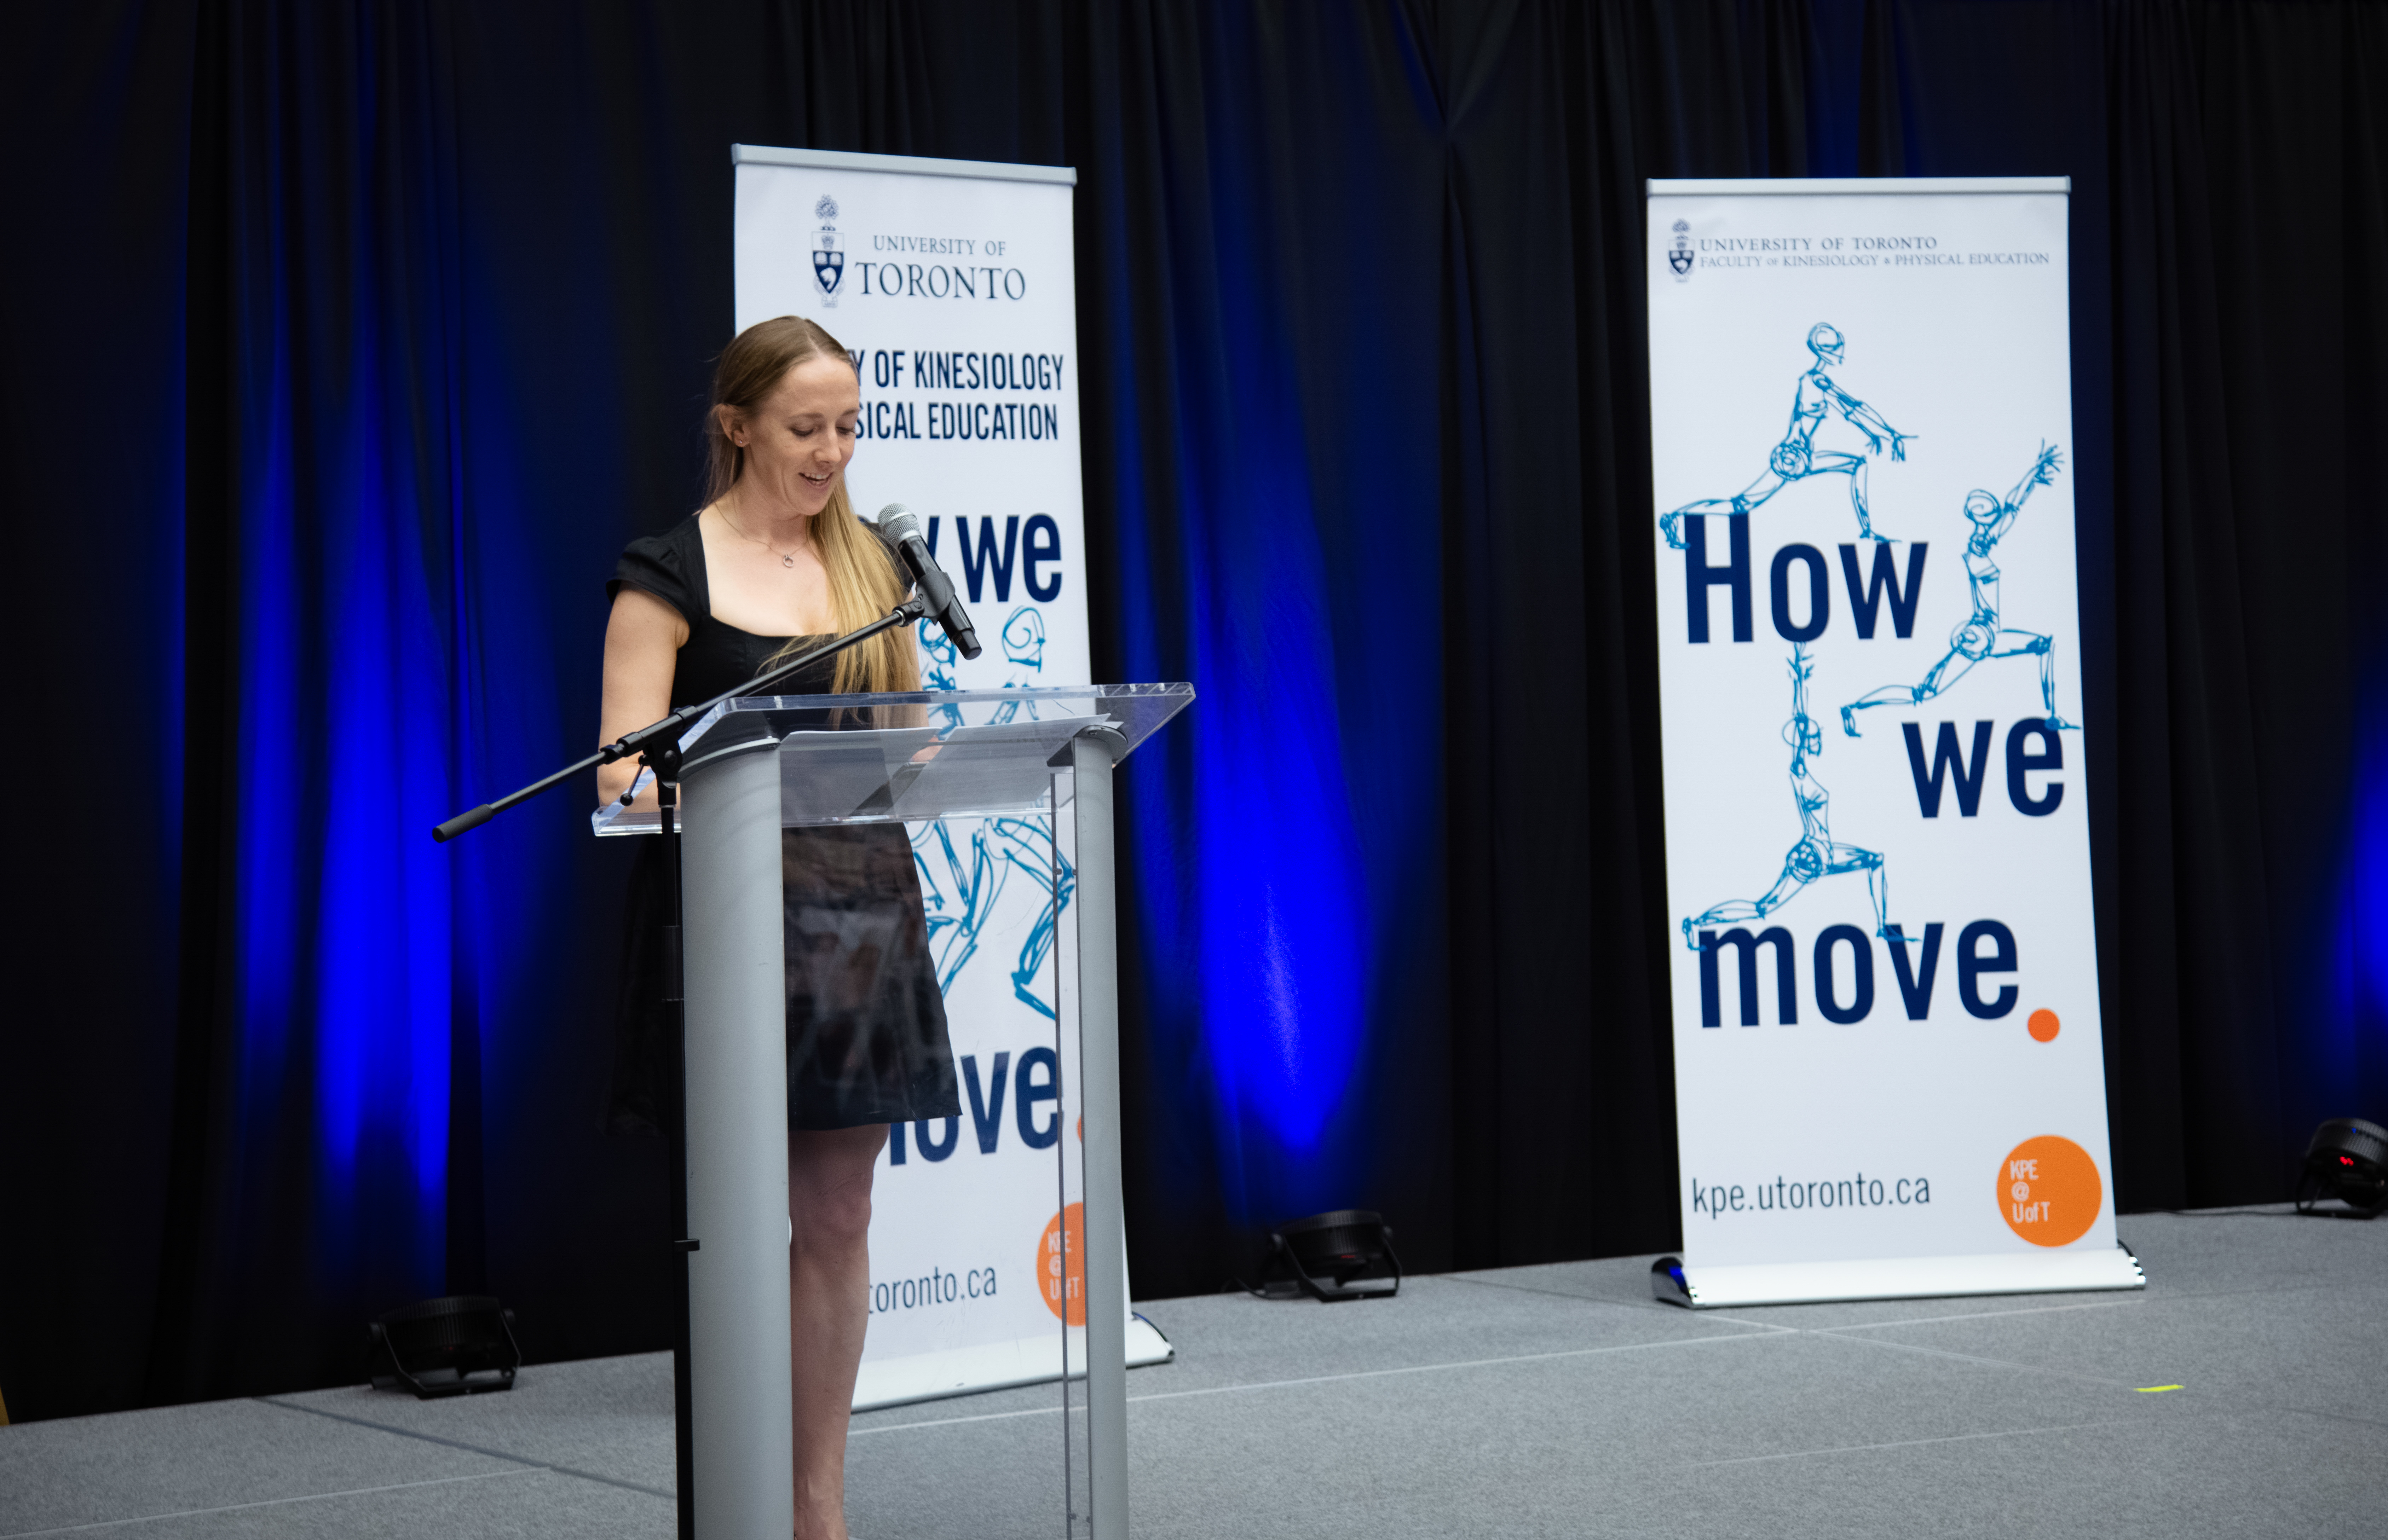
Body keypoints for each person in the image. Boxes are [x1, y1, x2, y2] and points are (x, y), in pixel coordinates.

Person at [597, 314, 957, 1540]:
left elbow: (905, 739)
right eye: (809, 428)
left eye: (851, 427)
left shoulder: (875, 569)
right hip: (733, 917)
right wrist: (734, 789)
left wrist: (925, 751)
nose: (833, 453)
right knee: (736, 1223)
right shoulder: (666, 572)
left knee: (841, 1214)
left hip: (859, 912)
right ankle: (736, 1499)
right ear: (738, 425)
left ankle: (818, 1503)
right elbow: (621, 778)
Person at [1839, 442, 2075, 737]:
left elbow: (2013, 505)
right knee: (1922, 692)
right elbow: (2014, 506)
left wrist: (2033, 476)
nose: (2000, 512)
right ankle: (1855, 706)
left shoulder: (1981, 541)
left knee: (1923, 692)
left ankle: (1854, 707)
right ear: (1983, 516)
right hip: (1982, 634)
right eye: (1992, 510)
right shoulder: (1981, 543)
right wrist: (2033, 474)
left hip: (1987, 633)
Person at [1682, 645, 1896, 949]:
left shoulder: (1808, 773)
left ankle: (1698, 923)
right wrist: (1799, 682)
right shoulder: (1800, 772)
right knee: (1763, 908)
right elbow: (1799, 718)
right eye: (1813, 737)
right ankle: (1699, 922)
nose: (1818, 739)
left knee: (1766, 906)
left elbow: (1802, 723)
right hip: (1814, 855)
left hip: (1822, 852)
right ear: (1804, 742)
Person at [1659, 322, 1914, 550]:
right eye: (1836, 349)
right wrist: (1889, 433)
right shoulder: (1817, 382)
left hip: (1800, 455)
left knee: (1855, 465)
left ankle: (1868, 530)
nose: (1840, 354)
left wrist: (1878, 433)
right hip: (1794, 458)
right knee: (1740, 506)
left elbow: (1851, 411)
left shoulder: (1815, 381)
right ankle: (1675, 517)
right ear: (1826, 352)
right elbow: (1854, 408)